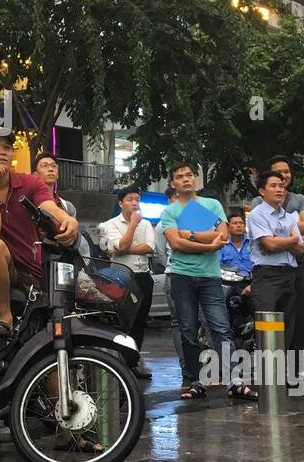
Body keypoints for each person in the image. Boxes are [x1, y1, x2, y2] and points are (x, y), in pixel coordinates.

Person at [0, 126, 78, 349]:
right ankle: (5, 317)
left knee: (48, 350)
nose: (2, 152)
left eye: (7, 147)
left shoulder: (30, 183)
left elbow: (48, 205)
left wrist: (68, 219)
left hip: (32, 271)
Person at [160, 163, 255, 401]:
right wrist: (207, 243)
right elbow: (176, 244)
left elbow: (221, 236)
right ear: (173, 183)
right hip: (181, 275)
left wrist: (189, 234)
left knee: (221, 327)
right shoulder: (169, 212)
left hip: (211, 276)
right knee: (188, 330)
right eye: (179, 177)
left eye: (189, 175)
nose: (185, 180)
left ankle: (235, 381)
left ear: (195, 179)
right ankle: (195, 381)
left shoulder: (211, 204)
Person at [269, 156, 304, 380]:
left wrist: (278, 225)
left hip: (298, 266)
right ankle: (276, 372)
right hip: (272, 269)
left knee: (300, 318)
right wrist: (296, 233)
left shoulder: (300, 199)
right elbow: (264, 231)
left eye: (287, 171)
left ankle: (296, 371)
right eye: (278, 172)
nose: (283, 176)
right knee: (277, 320)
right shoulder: (259, 202)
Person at [98, 185, 156, 379]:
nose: (135, 203)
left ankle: (132, 364)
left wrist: (123, 249)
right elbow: (120, 245)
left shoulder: (147, 224)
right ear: (121, 203)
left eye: (137, 200)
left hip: (143, 276)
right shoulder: (110, 224)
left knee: (140, 322)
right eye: (130, 199)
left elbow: (149, 247)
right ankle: (119, 364)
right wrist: (132, 225)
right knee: (123, 322)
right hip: (121, 277)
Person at [246, 171, 304, 359]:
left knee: (287, 325)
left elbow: (300, 249)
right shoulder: (256, 215)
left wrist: (281, 242)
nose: (279, 189)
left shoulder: (289, 217)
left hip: (289, 274)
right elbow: (269, 244)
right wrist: (291, 239)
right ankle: (268, 378)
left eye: (281, 186)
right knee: (268, 326)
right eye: (273, 186)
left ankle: (280, 377)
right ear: (262, 191)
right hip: (267, 276)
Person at [218, 208, 253, 333]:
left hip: (250, 283)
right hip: (227, 285)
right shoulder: (221, 245)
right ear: (228, 227)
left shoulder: (253, 243)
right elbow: (218, 265)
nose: (238, 226)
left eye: (241, 223)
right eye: (234, 223)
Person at [33, 153, 77, 220]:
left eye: (54, 166)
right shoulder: (29, 204)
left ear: (57, 174)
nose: (50, 169)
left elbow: (72, 229)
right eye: (45, 165)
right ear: (35, 175)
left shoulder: (68, 207)